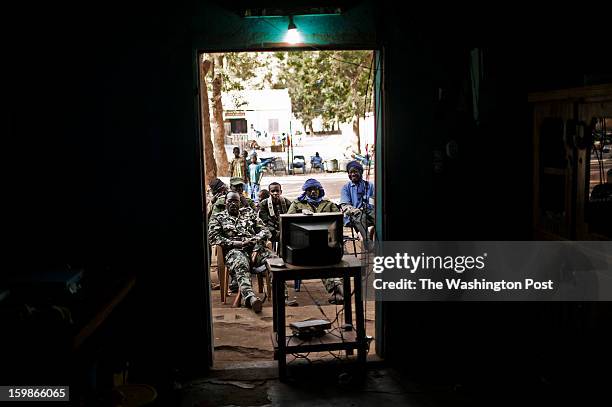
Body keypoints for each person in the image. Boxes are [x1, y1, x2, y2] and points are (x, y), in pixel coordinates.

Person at [208, 192, 276, 313]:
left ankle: (282, 295)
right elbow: (213, 237)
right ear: (225, 203)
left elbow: (265, 231)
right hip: (234, 251)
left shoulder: (249, 213)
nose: (233, 204)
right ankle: (250, 298)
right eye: (230, 201)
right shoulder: (218, 217)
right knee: (241, 262)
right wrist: (235, 243)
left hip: (255, 248)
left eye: (236, 201)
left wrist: (255, 242)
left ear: (240, 203)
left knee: (275, 260)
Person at [287, 179, 344, 303]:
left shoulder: (328, 204)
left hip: (327, 243)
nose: (313, 192)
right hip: (303, 245)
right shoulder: (297, 204)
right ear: (306, 191)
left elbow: (339, 223)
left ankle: (337, 291)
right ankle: (338, 289)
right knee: (320, 258)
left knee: (337, 259)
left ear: (320, 191)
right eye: (310, 190)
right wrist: (301, 214)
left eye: (315, 189)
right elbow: (289, 222)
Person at [340, 160, 375, 247]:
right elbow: (345, 205)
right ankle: (369, 244)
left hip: (368, 214)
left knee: (380, 218)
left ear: (360, 172)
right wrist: (354, 210)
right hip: (354, 216)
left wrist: (369, 208)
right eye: (350, 172)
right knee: (359, 216)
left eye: (355, 171)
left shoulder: (369, 186)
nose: (352, 174)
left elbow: (374, 201)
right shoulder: (346, 188)